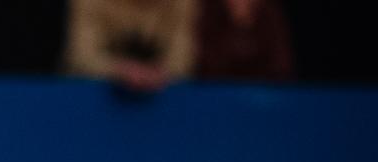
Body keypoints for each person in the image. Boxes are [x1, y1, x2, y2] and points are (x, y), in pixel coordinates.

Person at [64, 0, 196, 89]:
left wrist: (162, 72)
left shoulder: (181, 3)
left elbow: (183, 59)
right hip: (92, 93)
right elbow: (81, 57)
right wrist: (119, 70)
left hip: (165, 95)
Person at [194, 0, 293, 79]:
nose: (241, 1)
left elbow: (282, 69)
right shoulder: (210, 20)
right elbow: (206, 69)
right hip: (217, 91)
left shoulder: (272, 21)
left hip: (264, 92)